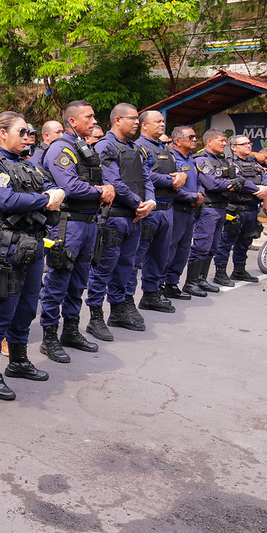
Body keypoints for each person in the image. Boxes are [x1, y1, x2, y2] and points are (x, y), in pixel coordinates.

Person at [0, 112, 64, 401]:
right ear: (2, 133)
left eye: (29, 132)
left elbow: (49, 186)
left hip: (34, 244)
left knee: (26, 309)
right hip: (6, 247)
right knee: (0, 311)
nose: (27, 137)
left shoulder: (28, 165)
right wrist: (46, 200)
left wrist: (51, 195)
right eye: (21, 131)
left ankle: (18, 361)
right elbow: (7, 200)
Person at [39, 101, 114, 363]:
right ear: (73, 121)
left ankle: (70, 330)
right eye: (89, 116)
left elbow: (94, 179)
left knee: (79, 280)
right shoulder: (61, 148)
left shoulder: (85, 148)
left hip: (89, 223)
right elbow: (69, 185)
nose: (94, 121)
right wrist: (100, 191)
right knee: (58, 281)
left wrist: (106, 188)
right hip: (68, 224)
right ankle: (49, 337)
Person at [85, 103, 154, 341]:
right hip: (114, 217)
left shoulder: (136, 148)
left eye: (138, 118)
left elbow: (146, 178)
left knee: (127, 267)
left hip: (135, 217)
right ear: (117, 120)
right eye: (132, 118)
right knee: (103, 268)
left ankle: (118, 310)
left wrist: (150, 203)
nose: (137, 122)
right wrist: (139, 203)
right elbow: (114, 181)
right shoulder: (105, 146)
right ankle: (95, 316)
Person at [183, 130, 264, 294]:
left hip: (221, 207)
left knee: (212, 247)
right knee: (201, 246)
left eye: (225, 141)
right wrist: (236, 183)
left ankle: (202, 280)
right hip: (208, 208)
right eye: (221, 140)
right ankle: (191, 283)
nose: (224, 144)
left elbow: (238, 180)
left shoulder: (222, 161)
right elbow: (213, 184)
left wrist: (253, 187)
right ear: (210, 141)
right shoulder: (202, 159)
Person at [128, 111, 187, 313]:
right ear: (144, 125)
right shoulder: (138, 148)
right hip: (150, 209)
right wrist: (172, 180)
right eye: (158, 122)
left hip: (168, 209)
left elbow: (180, 170)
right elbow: (144, 176)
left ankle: (152, 294)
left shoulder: (167, 149)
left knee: (161, 255)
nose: (162, 124)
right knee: (137, 256)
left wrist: (181, 176)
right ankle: (126, 301)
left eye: (163, 121)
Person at [213, 134, 267, 284]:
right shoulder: (229, 164)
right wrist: (259, 189)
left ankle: (239, 270)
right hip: (234, 210)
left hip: (251, 209)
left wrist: (265, 188)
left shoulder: (255, 164)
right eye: (244, 144)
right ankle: (221, 273)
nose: (248, 146)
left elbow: (264, 178)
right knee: (226, 242)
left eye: (249, 143)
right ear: (234, 148)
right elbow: (237, 182)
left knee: (245, 241)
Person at [162, 126, 203, 299]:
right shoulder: (172, 159)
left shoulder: (192, 160)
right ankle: (160, 285)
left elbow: (199, 182)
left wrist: (200, 194)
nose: (194, 140)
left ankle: (172, 283)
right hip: (177, 209)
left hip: (190, 211)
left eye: (195, 137)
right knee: (169, 248)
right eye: (190, 137)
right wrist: (193, 196)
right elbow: (174, 186)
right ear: (178, 141)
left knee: (183, 250)